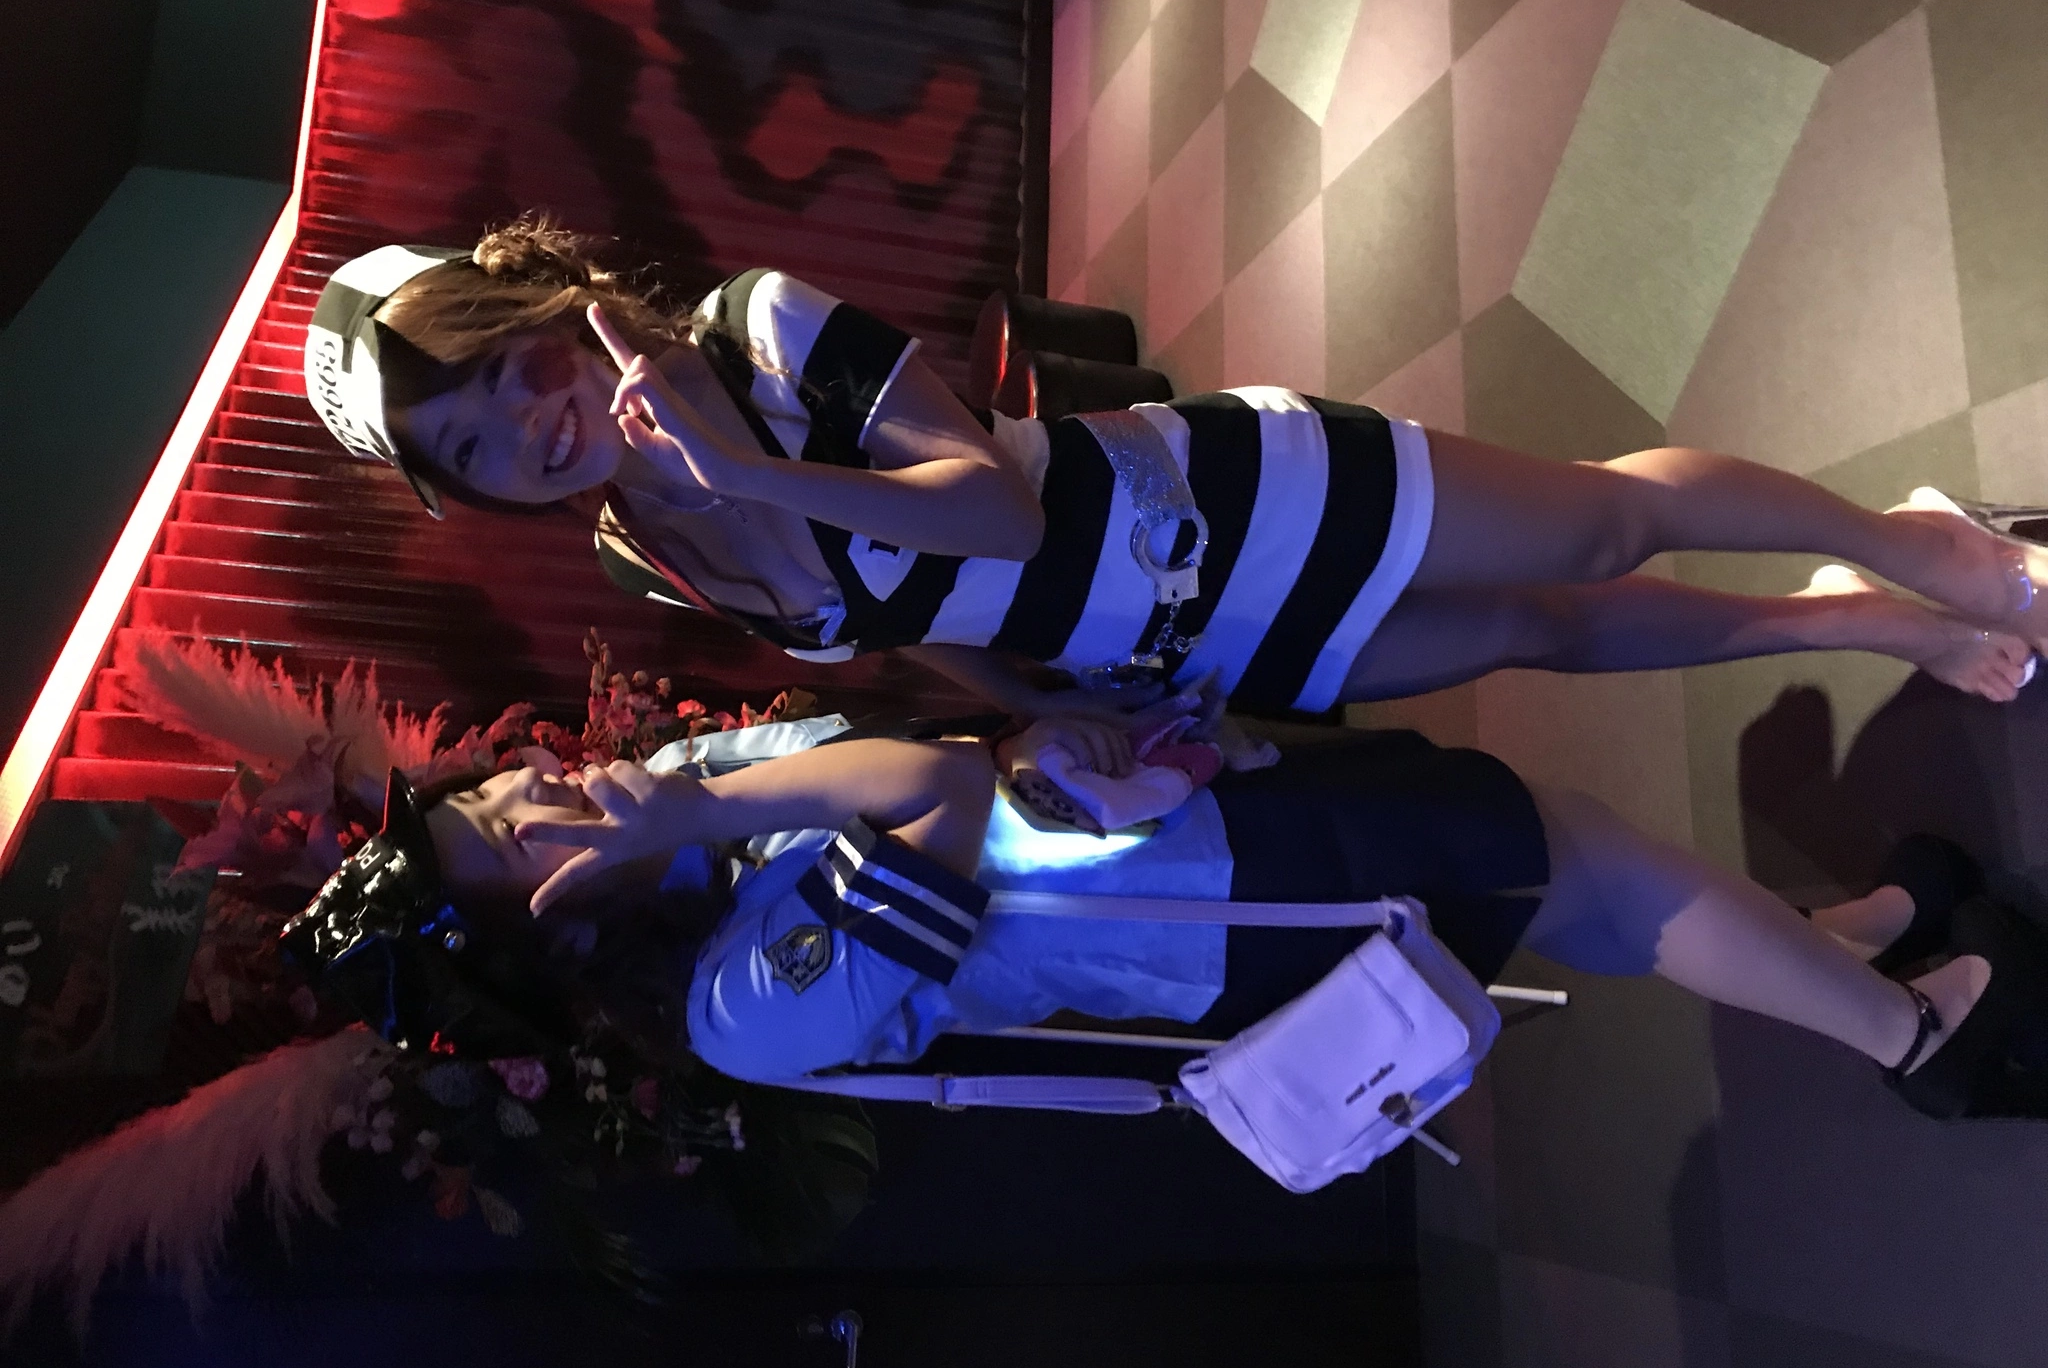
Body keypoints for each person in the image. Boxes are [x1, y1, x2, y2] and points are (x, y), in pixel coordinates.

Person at [302, 219, 2045, 718]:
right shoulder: (640, 546)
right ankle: (1858, 619)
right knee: (1541, 631)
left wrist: (755, 477)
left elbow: (992, 507)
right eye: (476, 455)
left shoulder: (756, 334)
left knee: (1601, 522)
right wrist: (1054, 710)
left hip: (1228, 500)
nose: (527, 435)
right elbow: (907, 626)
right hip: (1181, 649)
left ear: (538, 302)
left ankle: (1922, 547)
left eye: (506, 373)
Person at [410, 715, 2047, 1124]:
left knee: (1555, 856)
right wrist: (701, 810)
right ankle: (1919, 1039)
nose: (543, 789)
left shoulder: (695, 798)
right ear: (552, 934)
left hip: (1190, 834)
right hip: (1222, 915)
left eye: (502, 786)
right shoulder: (730, 1008)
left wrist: (701, 799)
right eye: (512, 837)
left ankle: (1843, 945)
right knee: (1569, 858)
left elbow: (935, 751)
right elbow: (929, 795)